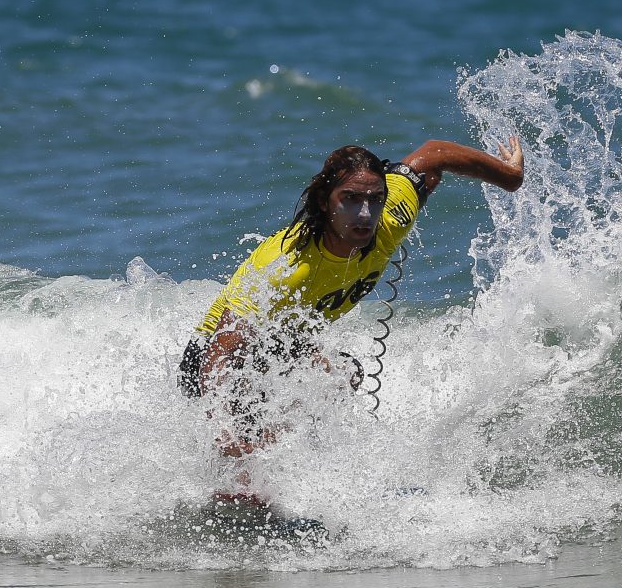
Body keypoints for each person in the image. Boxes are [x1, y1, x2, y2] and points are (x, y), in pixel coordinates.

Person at [180, 137, 524, 458]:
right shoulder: (286, 266)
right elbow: (222, 351)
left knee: (343, 373)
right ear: (323, 201)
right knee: (249, 448)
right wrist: (224, 433)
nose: (365, 214)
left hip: (283, 347)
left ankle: (289, 466)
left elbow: (436, 154)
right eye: (350, 199)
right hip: (215, 359)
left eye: (375, 199)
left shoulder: (391, 219)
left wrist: (509, 176)